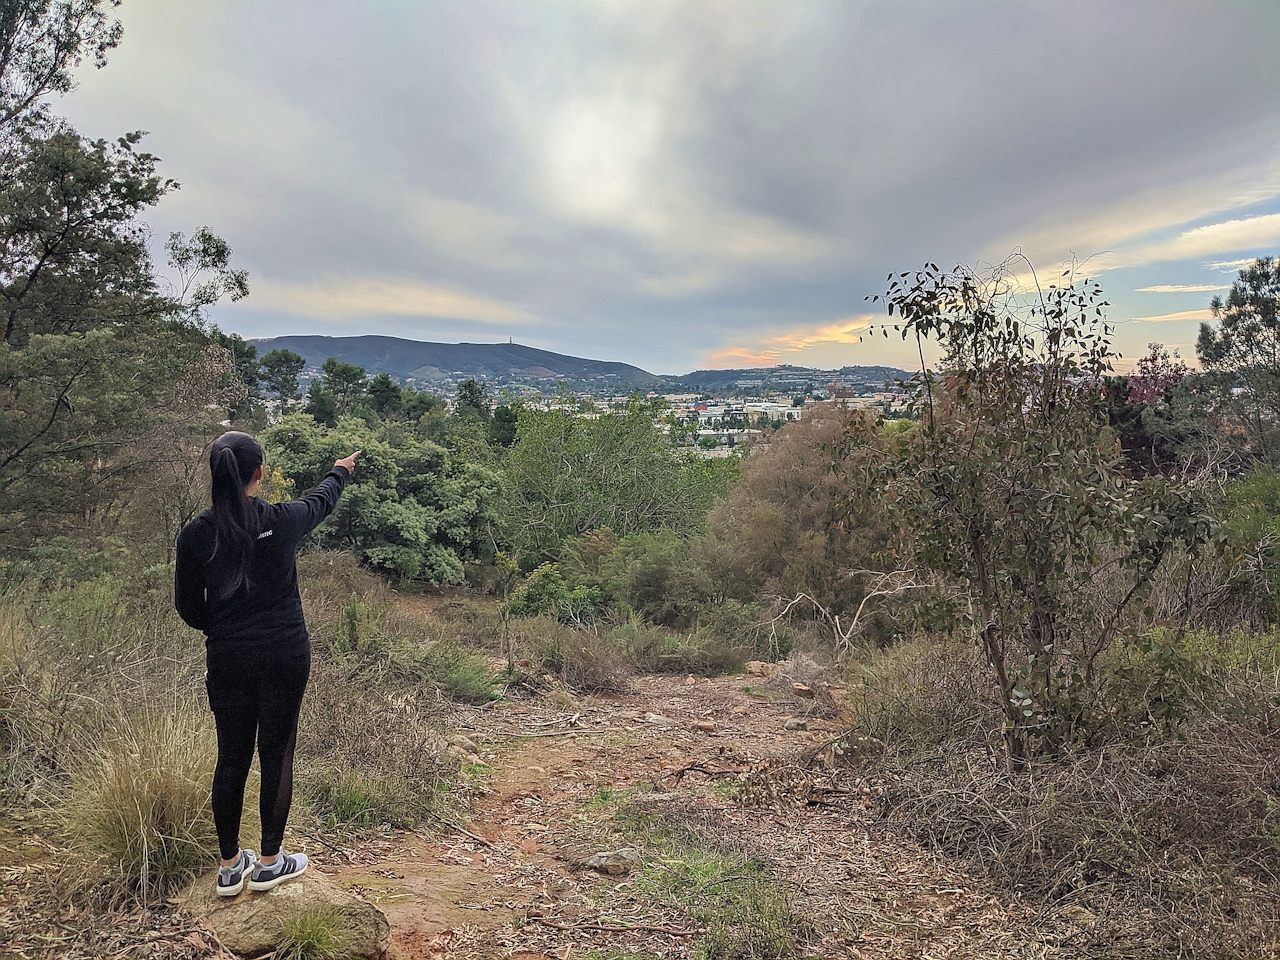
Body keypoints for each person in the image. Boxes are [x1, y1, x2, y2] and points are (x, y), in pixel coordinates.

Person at [175, 431, 359, 896]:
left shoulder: (196, 534)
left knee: (232, 756)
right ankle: (271, 863)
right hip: (285, 655)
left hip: (228, 659)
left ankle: (230, 866)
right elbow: (321, 500)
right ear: (259, 473)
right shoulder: (282, 520)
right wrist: (340, 470)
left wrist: (221, 630)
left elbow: (187, 607)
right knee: (277, 753)